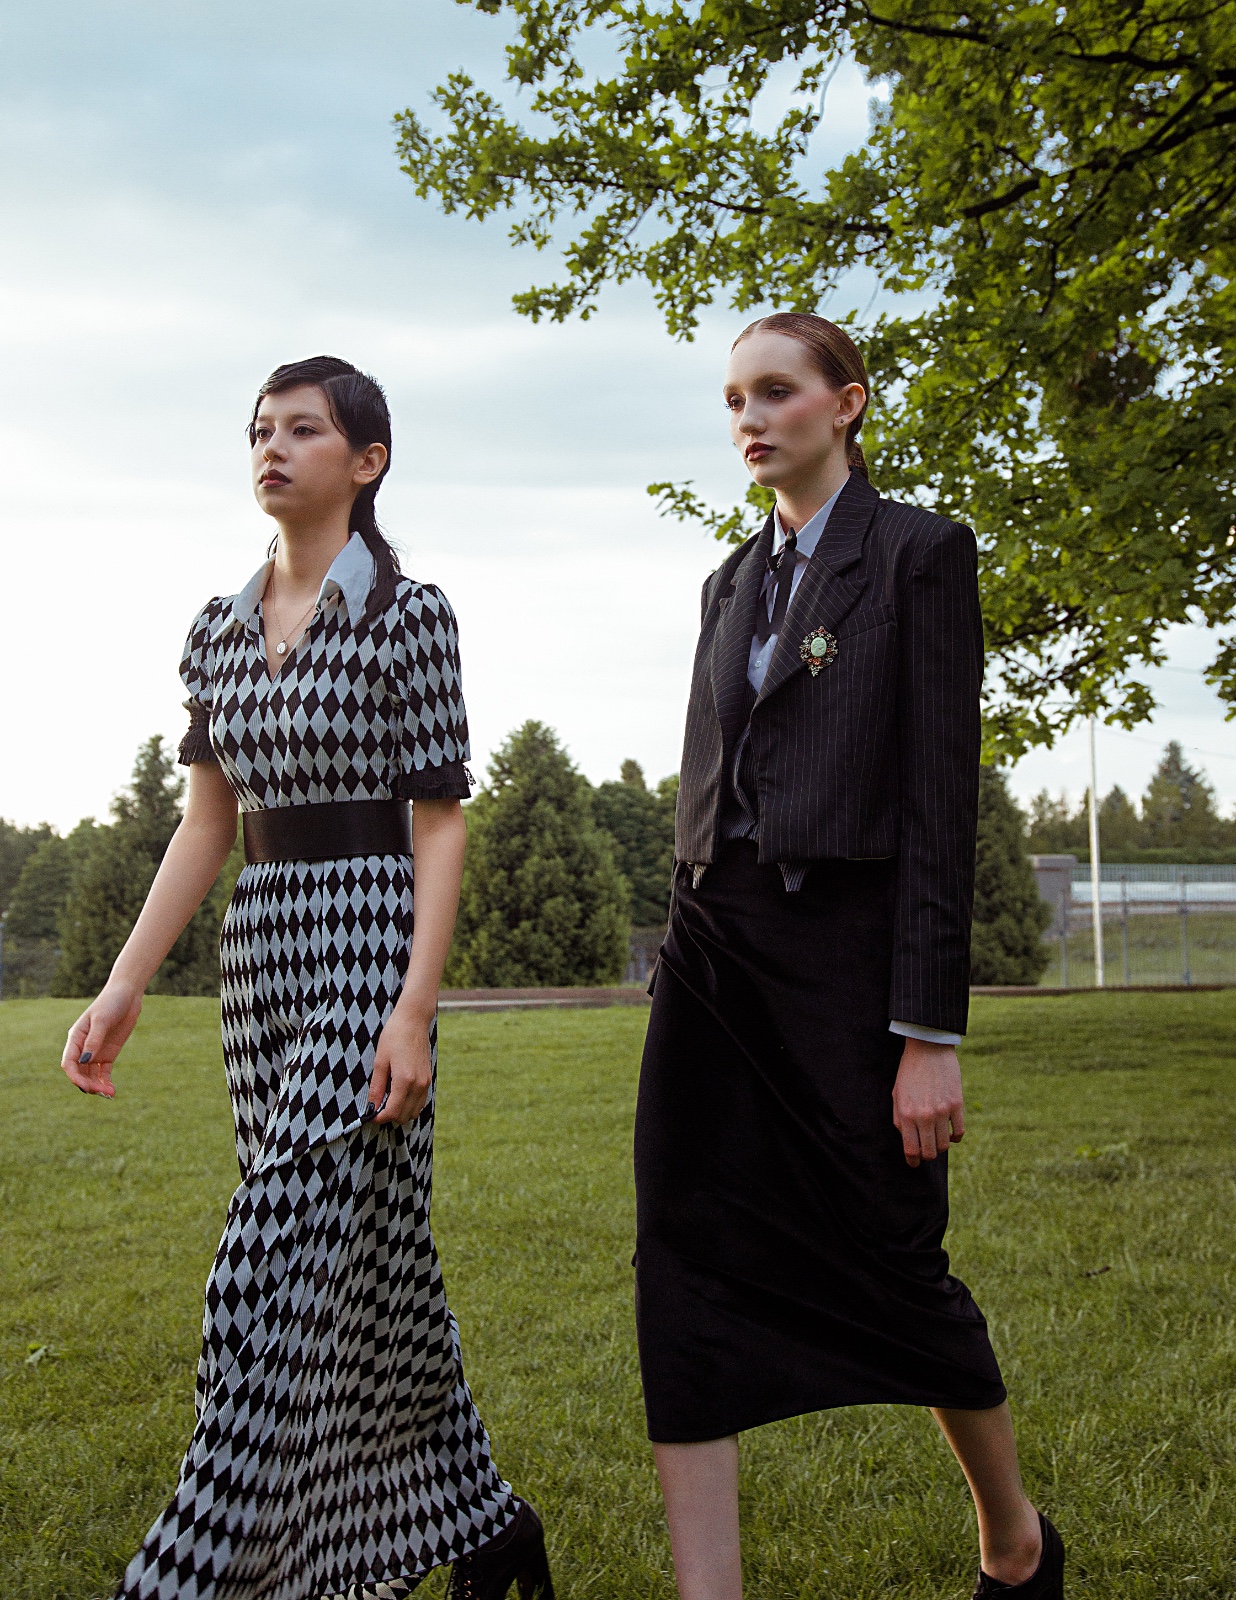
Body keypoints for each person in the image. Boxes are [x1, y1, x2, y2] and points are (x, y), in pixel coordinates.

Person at [60, 356, 553, 1600]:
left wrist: (414, 1009)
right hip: (261, 956)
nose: (271, 448)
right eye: (259, 430)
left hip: (371, 939)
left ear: (367, 462)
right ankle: (488, 1525)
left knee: (264, 1268)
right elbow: (205, 824)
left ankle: (198, 1575)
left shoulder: (408, 616)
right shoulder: (215, 630)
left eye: (303, 429)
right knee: (368, 1264)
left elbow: (439, 823)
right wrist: (124, 984)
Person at [634, 313, 1065, 1600]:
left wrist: (927, 1033)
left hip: (848, 965)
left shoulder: (920, 553)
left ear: (848, 402)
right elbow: (709, 780)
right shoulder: (726, 583)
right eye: (733, 400)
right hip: (714, 959)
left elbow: (940, 805)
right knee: (681, 1258)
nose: (750, 420)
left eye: (775, 392)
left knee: (893, 1255)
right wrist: (680, 932)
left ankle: (1015, 1541)